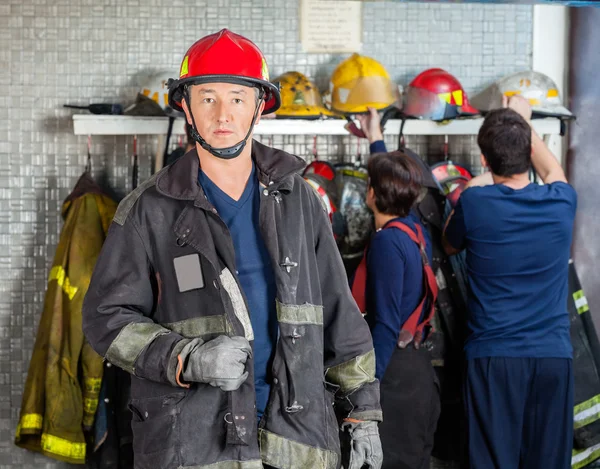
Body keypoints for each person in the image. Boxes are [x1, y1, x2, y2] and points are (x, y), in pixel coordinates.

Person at [82, 29, 382, 469]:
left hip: (293, 440)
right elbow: (106, 318)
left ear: (259, 106)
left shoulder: (299, 200)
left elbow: (339, 311)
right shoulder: (148, 210)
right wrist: (187, 359)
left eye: (238, 98)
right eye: (207, 98)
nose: (223, 114)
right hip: (193, 443)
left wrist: (362, 411)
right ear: (184, 104)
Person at [443, 95, 577, 469]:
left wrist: (478, 179)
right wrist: (522, 120)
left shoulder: (475, 202)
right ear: (531, 149)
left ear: (484, 159)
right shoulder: (562, 201)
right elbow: (552, 171)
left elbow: (449, 244)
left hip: (494, 358)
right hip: (553, 357)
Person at [351, 110, 441, 469]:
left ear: (371, 194)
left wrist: (367, 391)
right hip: (417, 372)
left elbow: (386, 324)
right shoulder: (414, 230)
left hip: (395, 381)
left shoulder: (389, 243)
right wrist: (375, 137)